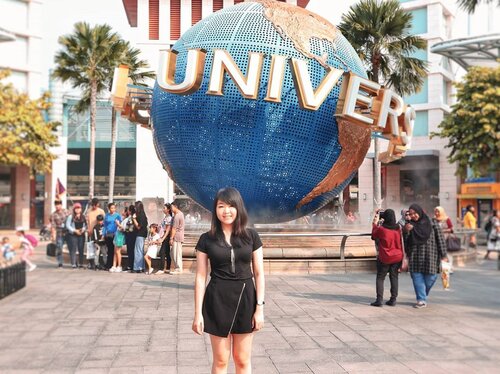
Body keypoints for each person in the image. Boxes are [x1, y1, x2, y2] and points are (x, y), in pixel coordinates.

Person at [192, 187, 265, 374]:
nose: (226, 211)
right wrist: (197, 313)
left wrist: (260, 308)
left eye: (231, 206)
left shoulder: (251, 236)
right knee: (221, 361)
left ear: (239, 208)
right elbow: (200, 277)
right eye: (221, 206)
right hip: (217, 300)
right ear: (215, 210)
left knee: (242, 359)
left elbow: (259, 274)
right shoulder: (206, 240)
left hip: (245, 299)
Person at [404, 204, 448, 308]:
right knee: (417, 278)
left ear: (420, 212)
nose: (413, 215)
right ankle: (421, 299)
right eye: (411, 214)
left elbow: (440, 239)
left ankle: (422, 294)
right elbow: (406, 242)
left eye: (415, 213)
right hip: (415, 256)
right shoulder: (409, 225)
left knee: (431, 278)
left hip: (431, 256)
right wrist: (406, 231)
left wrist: (444, 255)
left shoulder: (433, 223)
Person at [370, 209, 404, 307]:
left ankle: (379, 300)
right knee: (394, 277)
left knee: (380, 277)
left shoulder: (382, 229)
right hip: (397, 256)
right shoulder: (398, 228)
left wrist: (374, 223)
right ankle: (393, 299)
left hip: (385, 257)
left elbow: (373, 235)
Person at [65, 203, 87, 268]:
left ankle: (81, 263)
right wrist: (75, 230)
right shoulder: (70, 216)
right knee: (73, 249)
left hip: (81, 234)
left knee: (81, 249)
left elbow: (86, 225)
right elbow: (68, 225)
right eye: (76, 208)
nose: (78, 210)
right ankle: (73, 263)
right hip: (73, 235)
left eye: (79, 208)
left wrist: (82, 230)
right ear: (74, 209)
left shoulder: (83, 216)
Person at [50, 199, 69, 268]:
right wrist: (53, 236)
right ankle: (60, 263)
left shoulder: (66, 212)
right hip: (59, 233)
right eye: (56, 205)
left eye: (59, 205)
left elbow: (71, 220)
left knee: (71, 248)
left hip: (68, 233)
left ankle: (74, 262)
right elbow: (53, 226)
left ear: (61, 205)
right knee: (59, 248)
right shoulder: (53, 215)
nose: (57, 206)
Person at [103, 202, 122, 270]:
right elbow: (104, 225)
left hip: (115, 234)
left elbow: (120, 225)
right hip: (108, 234)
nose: (113, 209)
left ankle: (115, 265)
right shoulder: (107, 215)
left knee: (115, 250)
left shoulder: (117, 215)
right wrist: (103, 234)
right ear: (108, 208)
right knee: (109, 250)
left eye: (114, 208)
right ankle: (109, 264)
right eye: (111, 208)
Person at [156, 203, 173, 275]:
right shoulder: (166, 217)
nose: (163, 209)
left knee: (162, 252)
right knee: (167, 252)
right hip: (164, 236)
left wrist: (163, 238)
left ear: (168, 209)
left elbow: (168, 229)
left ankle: (161, 268)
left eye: (164, 208)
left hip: (166, 236)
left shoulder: (169, 218)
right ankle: (168, 268)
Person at [132, 201, 148, 273]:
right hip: (142, 234)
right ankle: (141, 267)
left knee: (138, 251)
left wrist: (134, 219)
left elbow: (138, 227)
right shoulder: (143, 214)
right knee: (140, 251)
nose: (135, 208)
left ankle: (137, 268)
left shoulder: (141, 215)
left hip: (140, 234)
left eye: (135, 207)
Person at [170, 199, 185, 274]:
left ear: (175, 206)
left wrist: (171, 238)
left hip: (177, 237)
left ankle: (178, 268)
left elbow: (174, 228)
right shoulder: (180, 214)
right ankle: (177, 267)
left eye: (172, 207)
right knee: (174, 253)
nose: (171, 209)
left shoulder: (177, 216)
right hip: (179, 236)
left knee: (176, 253)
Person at [110, 208, 127, 272]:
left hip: (120, 236)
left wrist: (118, 224)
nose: (122, 212)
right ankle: (114, 265)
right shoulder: (122, 219)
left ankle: (119, 266)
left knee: (118, 251)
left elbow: (124, 228)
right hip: (117, 235)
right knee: (115, 251)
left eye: (123, 211)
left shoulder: (126, 220)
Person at [123, 205, 137, 271]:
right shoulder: (133, 217)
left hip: (131, 236)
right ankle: (131, 265)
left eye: (128, 210)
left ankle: (130, 265)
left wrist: (124, 230)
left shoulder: (131, 218)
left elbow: (128, 228)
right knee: (131, 251)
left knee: (130, 251)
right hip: (132, 236)